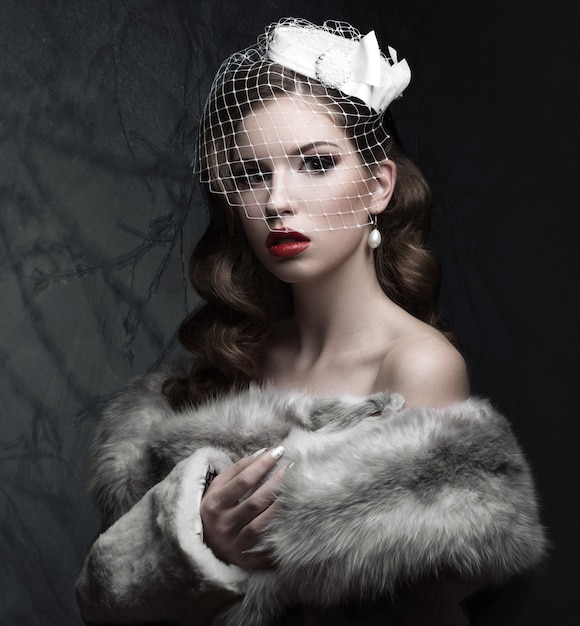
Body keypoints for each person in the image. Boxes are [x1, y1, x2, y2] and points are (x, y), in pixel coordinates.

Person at [75, 17, 546, 626]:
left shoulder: (416, 364)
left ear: (378, 186)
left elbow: (402, 600)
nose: (276, 201)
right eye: (252, 174)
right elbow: (111, 591)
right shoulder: (241, 353)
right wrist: (197, 541)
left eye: (315, 164)